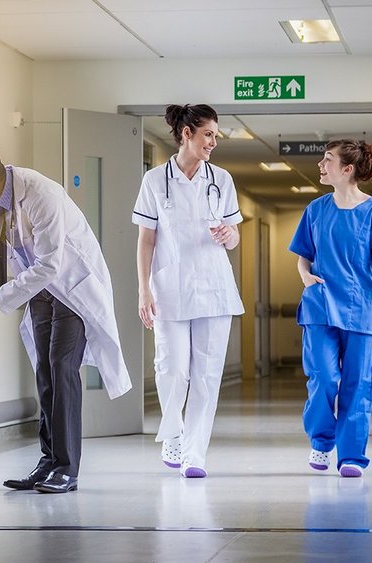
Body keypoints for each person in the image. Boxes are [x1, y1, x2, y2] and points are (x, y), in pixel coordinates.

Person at [0, 146, 131, 494]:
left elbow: (51, 264)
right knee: (45, 371)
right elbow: (1, 240)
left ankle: (66, 469)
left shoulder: (40, 193)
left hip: (72, 288)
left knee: (62, 369)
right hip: (42, 289)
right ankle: (47, 462)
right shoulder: (1, 195)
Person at [132, 104, 245, 478]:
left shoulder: (222, 180)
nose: (213, 141)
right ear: (186, 134)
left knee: (207, 376)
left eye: (215, 135)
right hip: (169, 289)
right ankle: (174, 433)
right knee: (173, 370)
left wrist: (230, 235)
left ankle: (196, 453)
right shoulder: (154, 181)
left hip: (214, 289)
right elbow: (146, 240)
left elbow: (233, 235)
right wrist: (143, 290)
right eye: (208, 134)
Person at [288, 139, 372, 478]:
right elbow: (303, 258)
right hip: (320, 307)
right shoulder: (315, 210)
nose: (321, 166)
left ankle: (352, 455)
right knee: (324, 378)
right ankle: (322, 442)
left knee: (358, 383)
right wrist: (305, 276)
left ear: (347, 169)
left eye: (327, 160)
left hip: (361, 308)